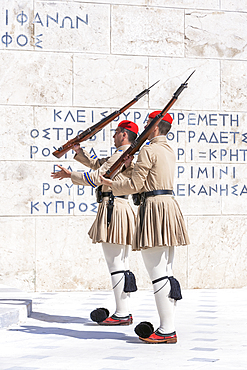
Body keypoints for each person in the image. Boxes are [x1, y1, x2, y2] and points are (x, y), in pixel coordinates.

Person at [100, 111, 190, 343]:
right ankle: (167, 326)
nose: (143, 129)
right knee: (167, 271)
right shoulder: (168, 149)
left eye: (147, 124)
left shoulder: (148, 150)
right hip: (169, 206)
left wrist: (111, 183)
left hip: (153, 209)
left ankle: (167, 330)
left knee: (158, 273)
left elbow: (135, 184)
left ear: (156, 127)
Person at [51, 120, 139, 326]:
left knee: (116, 264)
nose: (114, 135)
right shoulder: (121, 155)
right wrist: (78, 150)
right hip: (120, 207)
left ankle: (122, 313)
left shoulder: (121, 154)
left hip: (113, 209)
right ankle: (123, 310)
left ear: (124, 135)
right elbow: (99, 164)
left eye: (116, 132)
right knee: (121, 263)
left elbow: (99, 176)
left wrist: (70, 174)